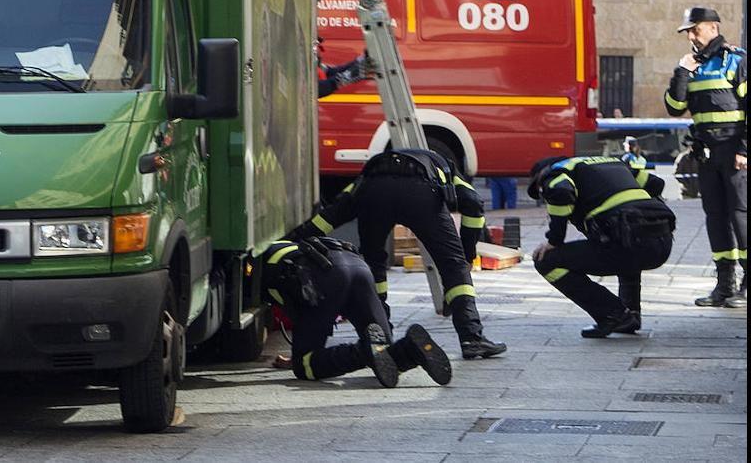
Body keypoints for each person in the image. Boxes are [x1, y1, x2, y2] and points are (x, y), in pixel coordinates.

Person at [288, 149, 507, 360]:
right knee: (453, 266)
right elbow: (473, 202)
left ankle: (380, 336)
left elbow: (333, 214)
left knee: (374, 266)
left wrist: (293, 239)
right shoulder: (444, 165)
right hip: (421, 191)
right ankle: (471, 337)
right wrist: (466, 256)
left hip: (374, 193)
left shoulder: (368, 175)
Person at [261, 236, 452, 387]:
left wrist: (299, 355)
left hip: (321, 274)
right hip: (358, 266)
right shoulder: (286, 243)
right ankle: (411, 349)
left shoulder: (255, 262)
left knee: (304, 367)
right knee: (383, 348)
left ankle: (364, 351)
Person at [529, 155, 675, 337]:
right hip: (662, 243)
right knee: (622, 236)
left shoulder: (557, 172)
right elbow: (655, 183)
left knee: (546, 261)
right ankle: (631, 315)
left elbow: (560, 191)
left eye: (541, 192)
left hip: (630, 243)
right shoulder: (611, 164)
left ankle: (613, 314)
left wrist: (554, 240)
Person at [664, 7, 747, 308]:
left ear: (712, 27)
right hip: (707, 153)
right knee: (715, 218)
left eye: (695, 29)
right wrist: (682, 72)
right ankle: (724, 285)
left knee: (741, 216)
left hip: (735, 152)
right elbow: (674, 106)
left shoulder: (735, 60)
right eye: (687, 31)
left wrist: (745, 150)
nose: (690, 36)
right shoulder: (693, 66)